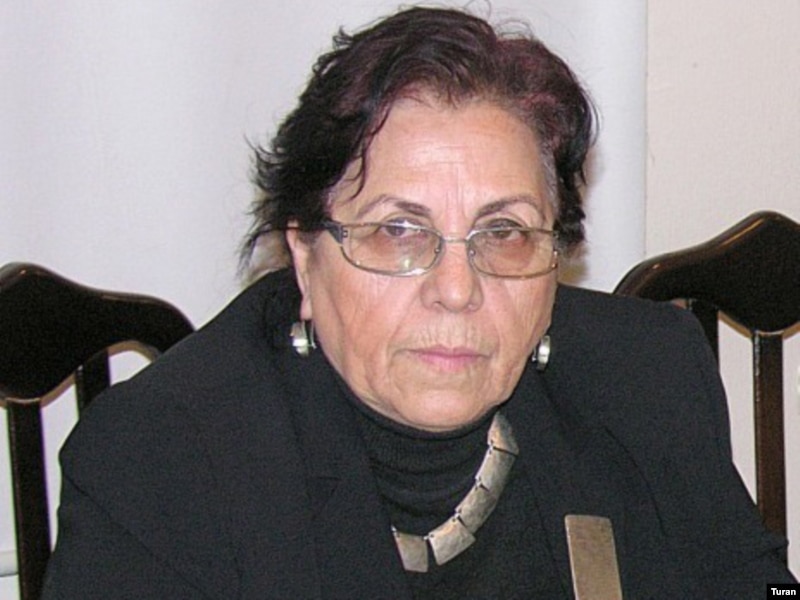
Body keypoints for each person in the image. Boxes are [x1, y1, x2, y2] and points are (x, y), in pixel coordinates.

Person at [42, 6, 795, 599]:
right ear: (304, 254)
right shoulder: (162, 460)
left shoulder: (646, 375)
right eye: (398, 231)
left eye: (504, 233)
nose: (457, 290)